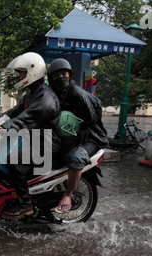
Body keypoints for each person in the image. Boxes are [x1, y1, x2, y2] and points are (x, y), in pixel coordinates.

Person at [0, 52, 62, 221]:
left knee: (13, 160)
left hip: (47, 145)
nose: (19, 75)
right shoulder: (31, 94)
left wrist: (3, 127)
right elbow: (14, 112)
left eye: (22, 72)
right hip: (34, 139)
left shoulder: (46, 97)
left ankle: (25, 205)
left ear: (32, 70)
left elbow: (27, 117)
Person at [47, 58, 109, 213]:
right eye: (57, 75)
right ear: (51, 79)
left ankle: (68, 194)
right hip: (71, 135)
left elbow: (92, 120)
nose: (61, 78)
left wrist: (69, 123)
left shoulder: (78, 94)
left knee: (76, 158)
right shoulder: (55, 94)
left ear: (70, 75)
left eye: (64, 74)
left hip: (91, 137)